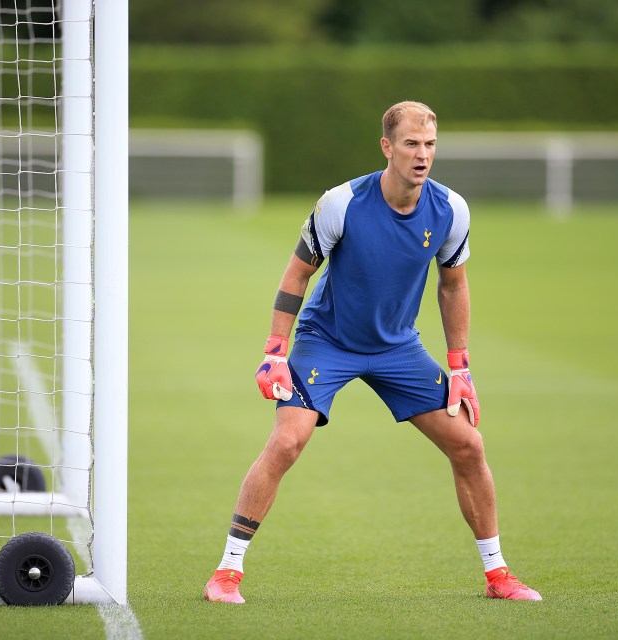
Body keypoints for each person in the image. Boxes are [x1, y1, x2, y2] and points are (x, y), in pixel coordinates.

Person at [204, 101, 541, 604]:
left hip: (397, 349)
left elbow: (453, 286)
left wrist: (460, 366)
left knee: (469, 445)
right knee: (287, 441)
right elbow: (298, 273)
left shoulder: (451, 209)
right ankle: (227, 572)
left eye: (429, 145)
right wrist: (275, 351)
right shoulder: (341, 203)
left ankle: (498, 576)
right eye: (410, 144)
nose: (421, 155)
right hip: (328, 342)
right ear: (387, 147)